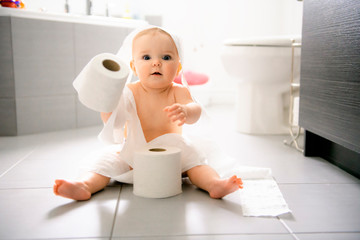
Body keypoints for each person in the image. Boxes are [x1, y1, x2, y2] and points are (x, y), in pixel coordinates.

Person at [53, 27, 242, 201]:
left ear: (178, 68)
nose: (157, 62)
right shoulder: (128, 91)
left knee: (195, 159)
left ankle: (214, 184)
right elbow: (113, 122)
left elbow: (196, 110)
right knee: (104, 161)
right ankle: (84, 185)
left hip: (173, 153)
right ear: (133, 67)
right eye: (146, 58)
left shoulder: (177, 91)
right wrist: (107, 106)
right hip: (133, 150)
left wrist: (186, 111)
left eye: (166, 57)